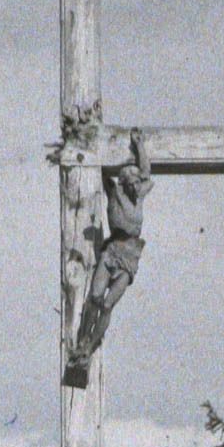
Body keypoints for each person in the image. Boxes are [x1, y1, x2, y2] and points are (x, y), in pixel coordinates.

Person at [66, 129, 154, 386]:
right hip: (113, 249)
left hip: (130, 256)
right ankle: (81, 343)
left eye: (138, 182)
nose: (137, 185)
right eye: (133, 181)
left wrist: (140, 145)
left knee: (108, 304)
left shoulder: (140, 195)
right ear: (125, 182)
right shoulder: (116, 193)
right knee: (95, 296)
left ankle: (89, 349)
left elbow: (147, 173)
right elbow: (103, 170)